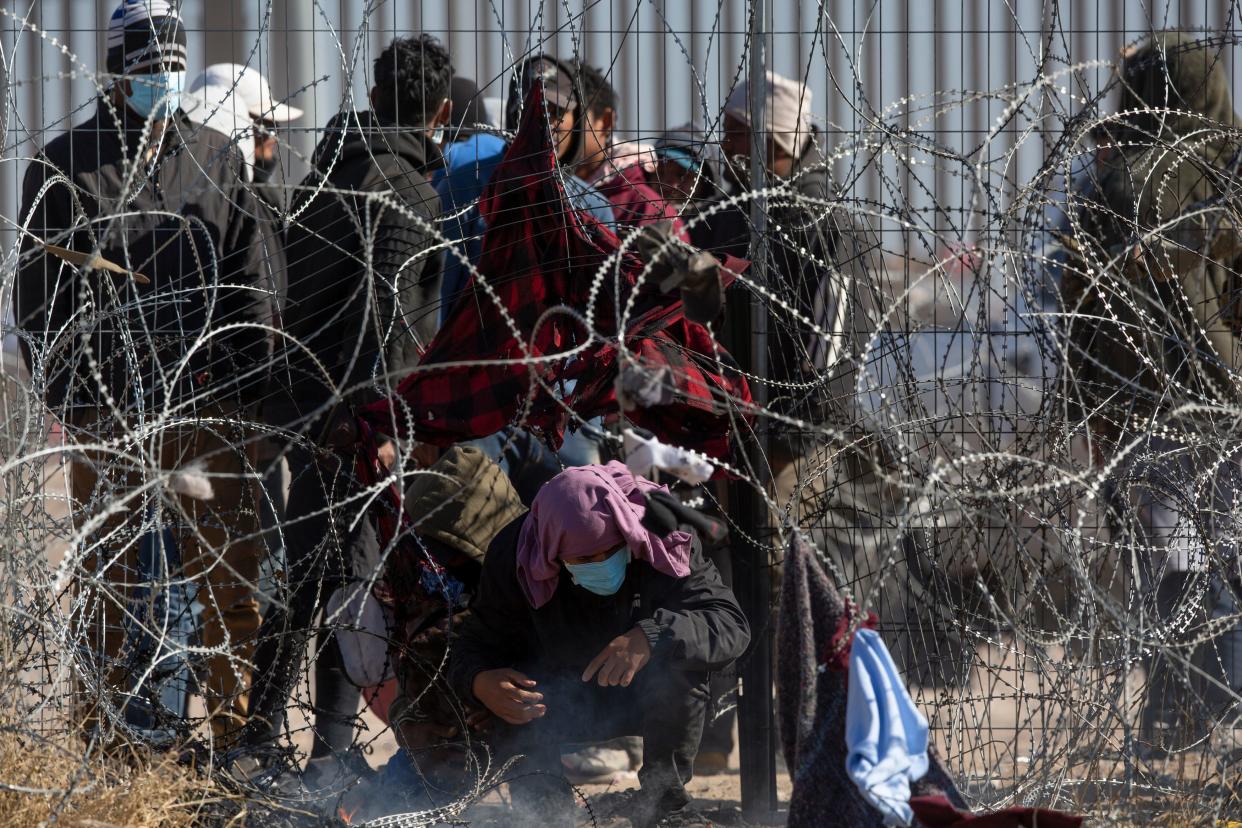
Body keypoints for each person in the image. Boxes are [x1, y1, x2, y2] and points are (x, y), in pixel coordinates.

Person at [15, 0, 278, 744]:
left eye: (171, 61)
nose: (161, 75)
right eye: (144, 65)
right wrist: (79, 401)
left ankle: (231, 740)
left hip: (203, 410)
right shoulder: (66, 166)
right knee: (112, 589)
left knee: (228, 580)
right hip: (111, 411)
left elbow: (249, 282)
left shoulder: (216, 157)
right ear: (113, 70)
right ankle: (106, 743)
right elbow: (37, 303)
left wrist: (249, 398)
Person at [247, 33, 453, 762]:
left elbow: (301, 300)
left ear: (372, 98)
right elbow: (386, 319)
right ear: (443, 111)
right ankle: (327, 759)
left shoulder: (326, 175)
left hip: (306, 408)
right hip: (358, 422)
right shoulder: (409, 191)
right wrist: (374, 426)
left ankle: (260, 737)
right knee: (349, 586)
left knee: (308, 578)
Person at [1062, 31, 1242, 755]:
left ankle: (1192, 717)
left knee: (1183, 563)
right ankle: (1194, 719)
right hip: (1197, 398)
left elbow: (1080, 312)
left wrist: (1091, 409)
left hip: (1155, 403)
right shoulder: (1195, 171)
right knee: (1198, 563)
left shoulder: (1115, 177)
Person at [449, 462, 750, 827]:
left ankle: (662, 805)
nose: (599, 565)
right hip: (555, 700)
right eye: (582, 560)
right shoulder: (519, 554)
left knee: (680, 668)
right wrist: (480, 681)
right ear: (553, 554)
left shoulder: (662, 535)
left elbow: (729, 623)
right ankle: (544, 813)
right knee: (512, 693)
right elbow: (473, 642)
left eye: (609, 550)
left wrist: (651, 636)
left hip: (644, 694)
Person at [574, 62, 686, 239]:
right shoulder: (534, 195)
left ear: (605, 121)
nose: (553, 127)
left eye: (565, 114)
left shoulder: (650, 214)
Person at [184, 62, 303, 211]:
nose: (273, 137)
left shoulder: (266, 199)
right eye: (266, 127)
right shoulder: (207, 205)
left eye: (276, 127)